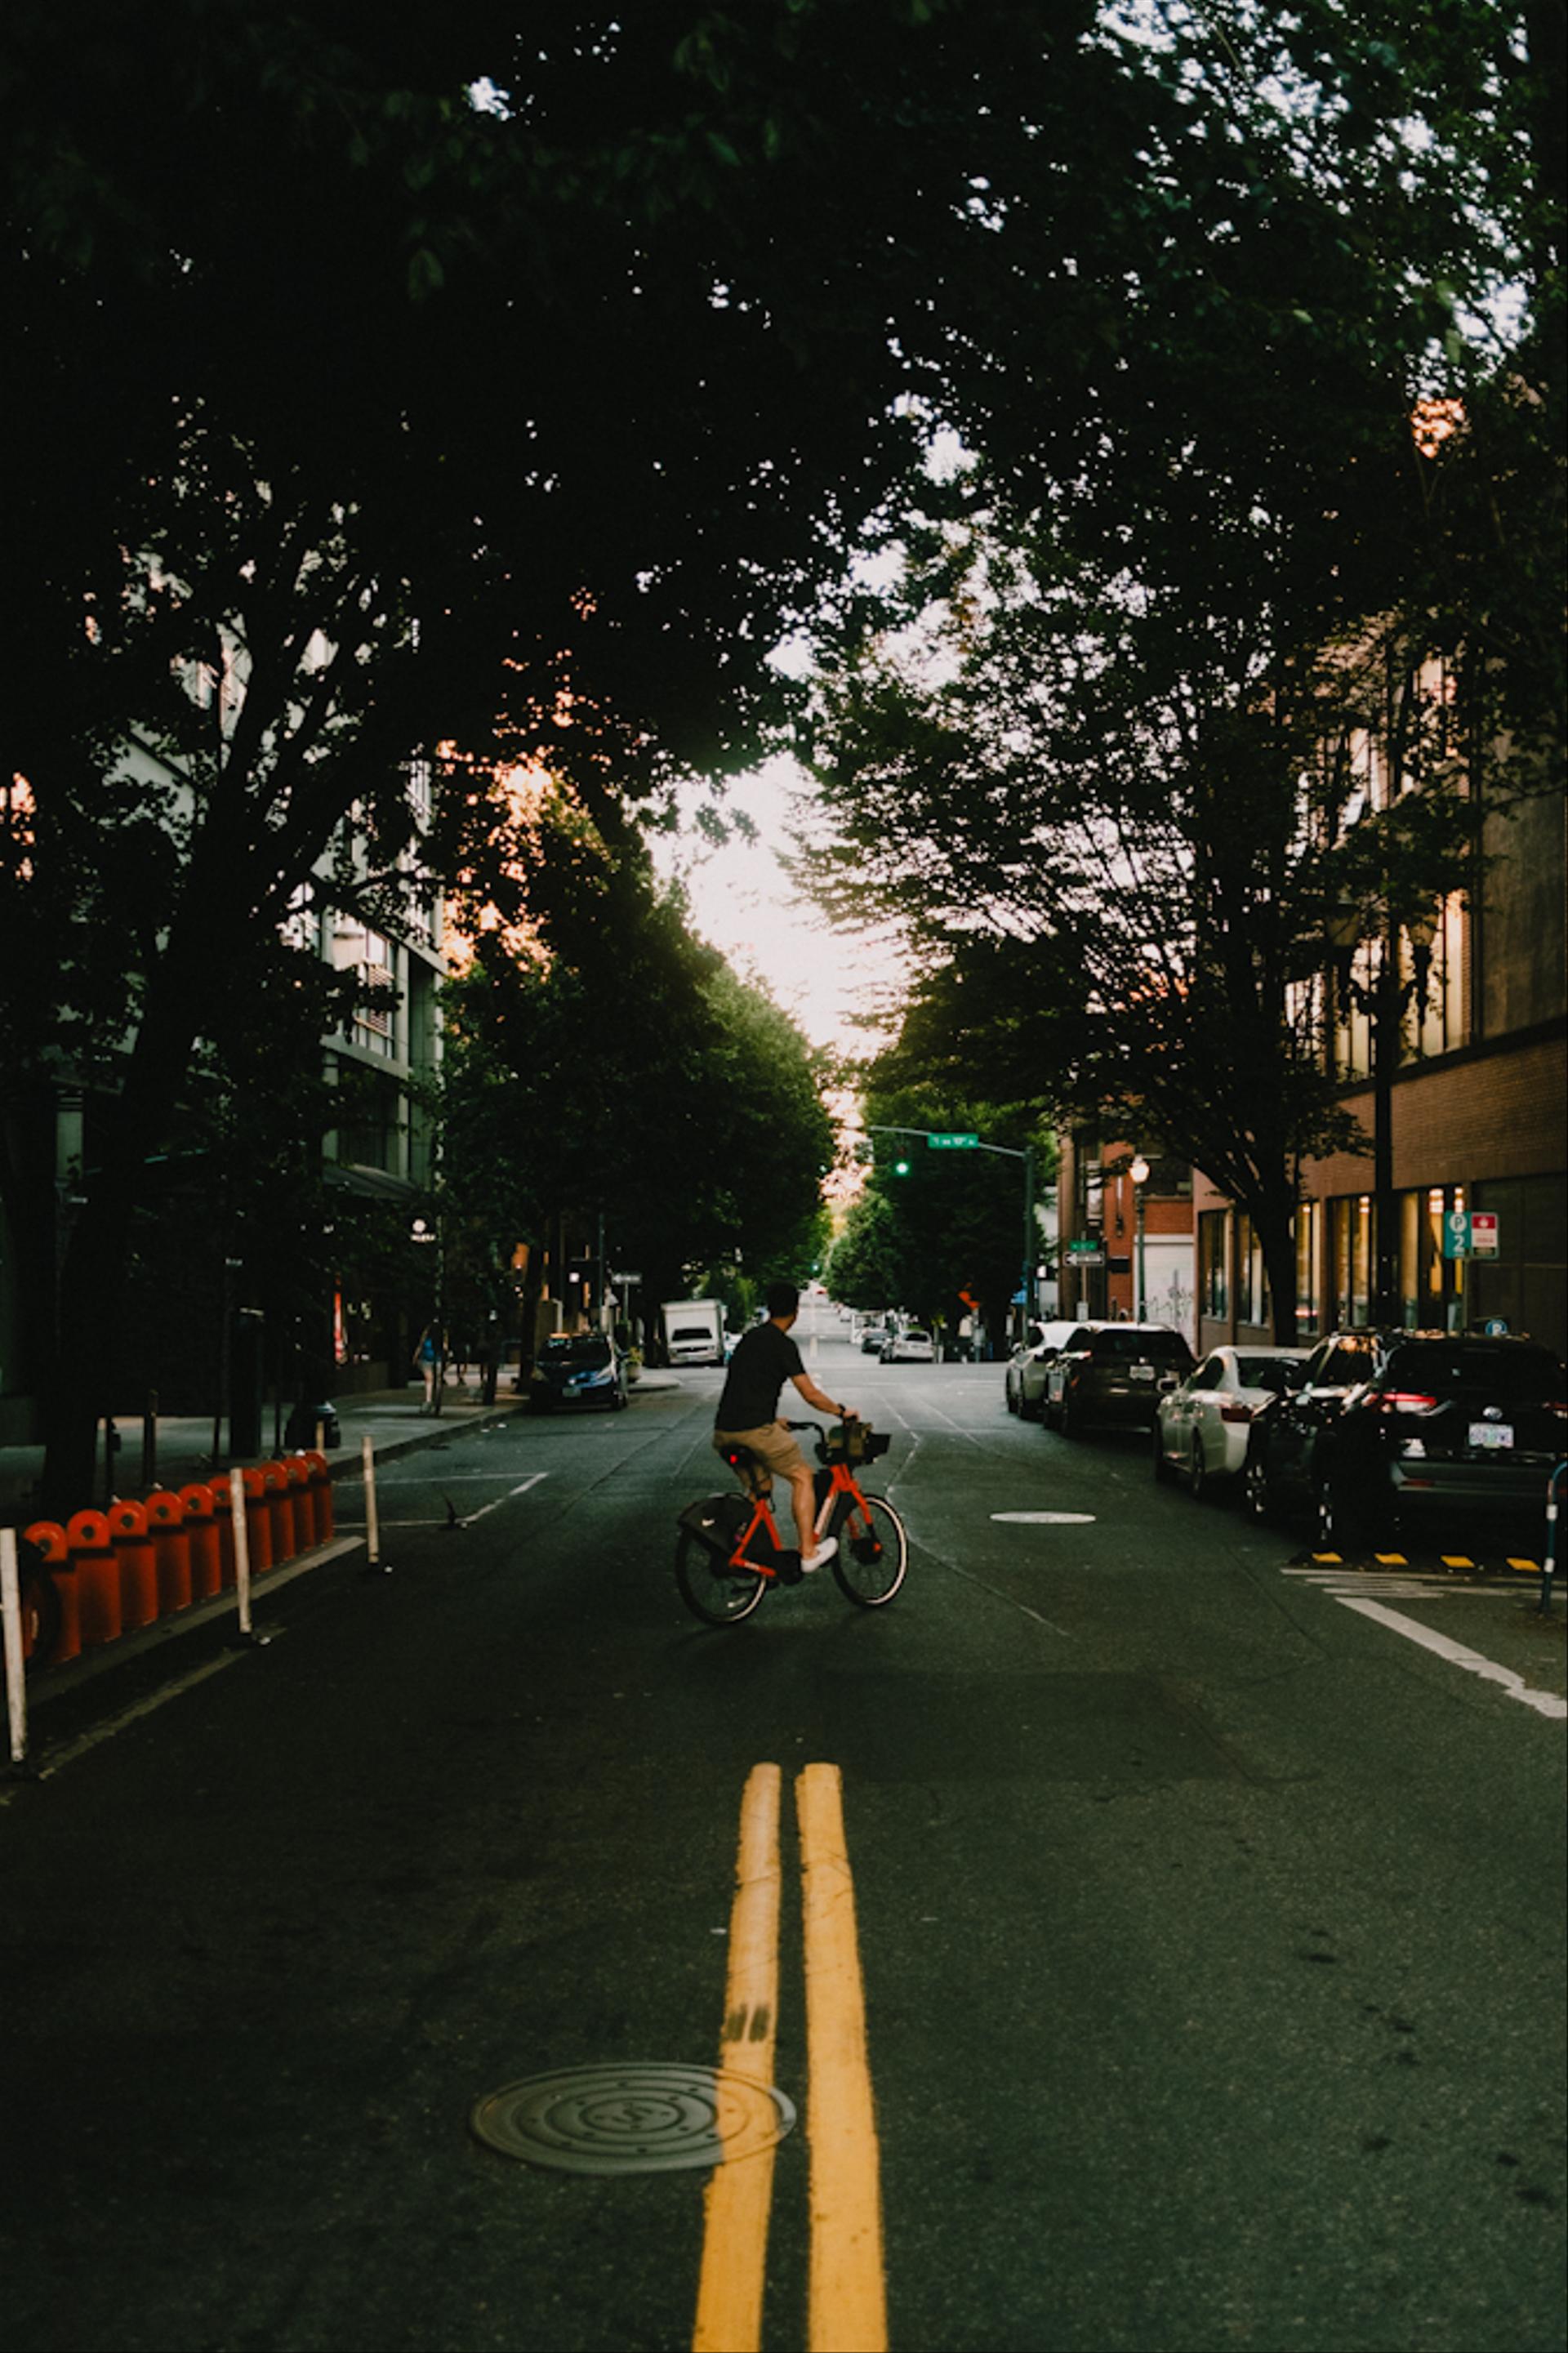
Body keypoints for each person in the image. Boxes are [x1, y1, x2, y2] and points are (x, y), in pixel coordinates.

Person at [713, 1281, 855, 1571]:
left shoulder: (749, 1338)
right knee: (802, 1476)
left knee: (760, 1488)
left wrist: (773, 1419)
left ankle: (743, 1548)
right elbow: (810, 1393)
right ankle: (807, 1552)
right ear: (795, 1312)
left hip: (725, 1431)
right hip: (755, 1431)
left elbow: (745, 1387)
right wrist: (841, 1411)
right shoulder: (782, 1344)